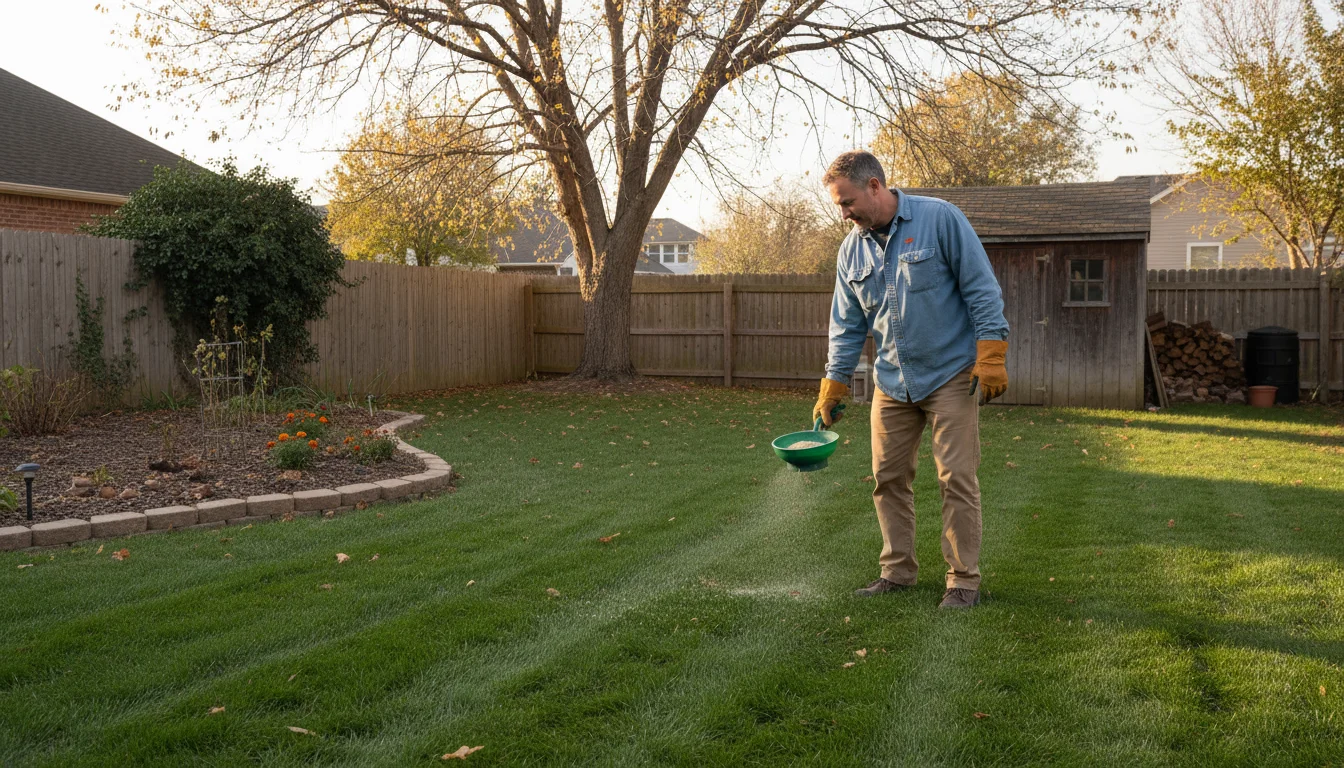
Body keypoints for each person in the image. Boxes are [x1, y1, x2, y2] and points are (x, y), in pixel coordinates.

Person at [816, 150, 1009, 610]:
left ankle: (963, 581)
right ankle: (897, 573)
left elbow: (980, 287)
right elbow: (846, 324)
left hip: (951, 375)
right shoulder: (852, 249)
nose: (843, 214)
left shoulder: (940, 219)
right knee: (887, 478)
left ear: (875, 186)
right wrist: (835, 382)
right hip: (892, 381)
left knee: (957, 478)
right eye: (839, 206)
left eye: (847, 202)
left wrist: (992, 351)